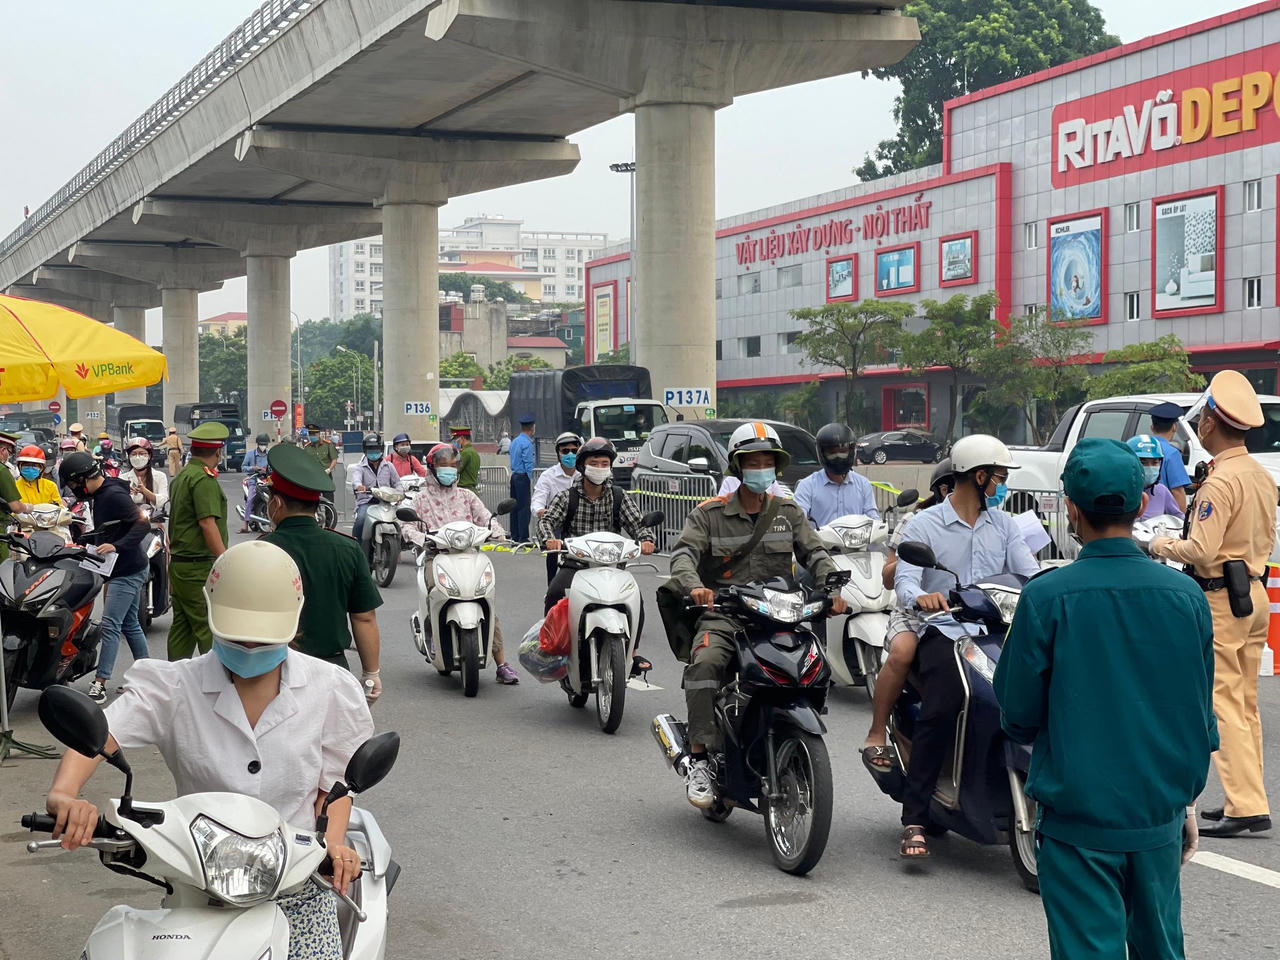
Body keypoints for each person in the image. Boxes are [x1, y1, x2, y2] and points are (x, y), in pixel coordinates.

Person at [44, 540, 373, 959]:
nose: (250, 650)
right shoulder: (173, 687)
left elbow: (335, 786)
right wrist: (64, 795)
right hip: (198, 888)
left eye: (262, 640)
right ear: (214, 619)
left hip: (295, 887)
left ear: (291, 624)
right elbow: (102, 733)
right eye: (239, 638)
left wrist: (335, 845)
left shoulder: (331, 688)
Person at [994, 438, 1216, 960]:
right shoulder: (1186, 597)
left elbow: (1017, 713)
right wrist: (1184, 805)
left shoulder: (1046, 597)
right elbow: (1199, 715)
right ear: (1142, 505)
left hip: (1079, 820)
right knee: (1161, 948)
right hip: (1158, 815)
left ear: (1070, 508)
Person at [668, 421, 845, 807]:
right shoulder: (709, 514)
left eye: (768, 460)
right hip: (725, 615)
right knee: (705, 665)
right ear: (737, 466)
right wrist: (694, 586)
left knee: (815, 668)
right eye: (753, 460)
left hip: (780, 615)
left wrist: (832, 585)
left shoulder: (788, 511)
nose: (761, 466)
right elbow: (684, 555)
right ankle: (699, 757)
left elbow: (814, 554)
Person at [889, 433, 1040, 858]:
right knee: (943, 703)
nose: (1003, 484)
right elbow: (904, 579)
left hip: (997, 630)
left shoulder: (1005, 525)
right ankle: (914, 817)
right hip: (943, 629)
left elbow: (1028, 573)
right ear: (979, 476)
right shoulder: (925, 525)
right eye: (999, 477)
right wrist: (920, 596)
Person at [1151, 371, 1275, 837]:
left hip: (1222, 597)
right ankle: (1249, 797)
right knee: (1244, 703)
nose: (1199, 423)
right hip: (1254, 593)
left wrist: (1160, 545)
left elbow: (1201, 551)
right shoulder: (1259, 476)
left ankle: (1244, 805)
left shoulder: (1222, 482)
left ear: (1211, 424)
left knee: (1222, 701)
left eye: (1203, 417)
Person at [261, 445, 384, 700]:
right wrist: (371, 674)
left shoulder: (261, 550)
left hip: (271, 673)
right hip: (333, 672)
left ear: (277, 502)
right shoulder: (347, 549)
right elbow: (364, 618)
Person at [863, 458, 955, 763]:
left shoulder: (994, 523)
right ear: (945, 489)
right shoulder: (916, 522)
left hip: (965, 615)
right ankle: (877, 731)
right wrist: (910, 569)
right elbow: (889, 577)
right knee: (903, 652)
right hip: (915, 614)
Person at [403, 444, 520, 685]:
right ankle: (434, 636)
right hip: (436, 557)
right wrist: (420, 538)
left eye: (452, 467)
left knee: (487, 599)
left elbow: (487, 518)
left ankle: (501, 663)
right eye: (442, 467)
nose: (448, 471)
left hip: (470, 556)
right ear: (432, 469)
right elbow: (406, 526)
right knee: (433, 591)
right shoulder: (421, 499)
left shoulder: (467, 496)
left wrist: (497, 533)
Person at [60, 453, 151, 704]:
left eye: (74, 484)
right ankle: (149, 679)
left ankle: (100, 683)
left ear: (82, 479)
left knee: (111, 624)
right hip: (126, 567)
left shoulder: (112, 495)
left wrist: (116, 546)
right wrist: (82, 541)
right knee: (130, 624)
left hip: (128, 569)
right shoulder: (102, 493)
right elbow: (109, 529)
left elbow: (142, 525)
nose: (75, 489)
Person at [167, 421, 229, 660]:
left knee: (182, 628)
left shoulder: (184, 476)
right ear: (217, 451)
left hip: (181, 566)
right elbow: (207, 523)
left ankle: (174, 682)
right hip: (198, 567)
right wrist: (225, 560)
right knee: (208, 628)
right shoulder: (203, 480)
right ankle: (216, 685)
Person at [794, 422, 879, 528]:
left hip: (857, 543)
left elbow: (873, 519)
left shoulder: (863, 484)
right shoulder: (807, 486)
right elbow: (798, 519)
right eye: (832, 453)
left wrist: (878, 529)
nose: (838, 457)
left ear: (852, 451)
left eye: (843, 451)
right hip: (820, 543)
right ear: (821, 453)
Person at [532, 432, 581, 582]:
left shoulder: (586, 474)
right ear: (558, 454)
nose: (570, 454)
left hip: (582, 523)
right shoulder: (548, 476)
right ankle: (552, 590)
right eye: (565, 451)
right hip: (557, 524)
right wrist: (541, 511)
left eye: (574, 451)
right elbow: (537, 501)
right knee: (552, 550)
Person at [350, 433, 401, 548]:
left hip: (386, 503)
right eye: (370, 449)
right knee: (360, 521)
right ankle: (356, 548)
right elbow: (356, 480)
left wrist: (399, 495)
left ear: (381, 449)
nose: (374, 452)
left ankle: (398, 548)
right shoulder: (360, 467)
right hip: (366, 503)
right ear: (365, 450)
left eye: (376, 449)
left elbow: (397, 483)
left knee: (400, 520)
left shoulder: (389, 466)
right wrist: (359, 486)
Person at [1147, 401, 1193, 512]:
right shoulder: (1171, 453)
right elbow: (1177, 491)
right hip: (1161, 517)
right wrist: (1182, 521)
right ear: (1174, 427)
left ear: (1152, 427)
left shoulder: (1138, 449)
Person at [1127, 434, 1182, 519]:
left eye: (1155, 463)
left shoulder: (1161, 491)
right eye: (1143, 462)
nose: (1150, 468)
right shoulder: (1120, 492)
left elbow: (1179, 519)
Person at [508, 413, 536, 542]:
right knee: (524, 507)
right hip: (522, 476)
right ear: (532, 427)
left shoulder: (514, 441)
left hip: (514, 476)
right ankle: (523, 537)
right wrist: (530, 477)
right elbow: (528, 463)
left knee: (514, 507)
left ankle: (515, 535)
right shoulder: (527, 443)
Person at [238, 433, 271, 533]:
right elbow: (243, 467)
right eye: (261, 444)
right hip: (254, 480)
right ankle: (245, 525)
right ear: (257, 444)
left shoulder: (270, 454)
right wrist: (253, 468)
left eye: (264, 444)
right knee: (250, 500)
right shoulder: (250, 454)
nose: (263, 446)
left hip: (267, 480)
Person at [450, 426, 481, 492]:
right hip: (471, 489)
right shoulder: (473, 452)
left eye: (455, 439)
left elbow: (455, 469)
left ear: (462, 438)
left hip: (464, 490)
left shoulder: (465, 453)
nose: (454, 442)